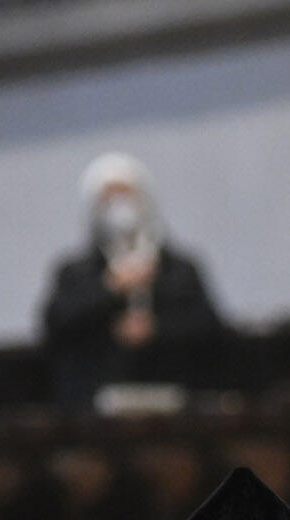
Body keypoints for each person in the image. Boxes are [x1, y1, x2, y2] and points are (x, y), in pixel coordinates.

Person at [40, 153, 225, 407]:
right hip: (95, 402)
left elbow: (209, 327)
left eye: (127, 195)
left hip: (175, 396)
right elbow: (56, 326)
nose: (120, 207)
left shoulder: (177, 269)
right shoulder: (77, 273)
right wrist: (109, 287)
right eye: (109, 199)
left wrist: (157, 328)